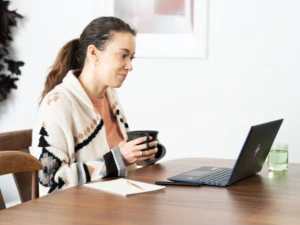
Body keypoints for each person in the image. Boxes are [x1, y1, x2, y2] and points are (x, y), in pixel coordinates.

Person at [30, 17, 166, 196]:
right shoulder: (58, 104)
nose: (130, 66)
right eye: (123, 55)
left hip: (114, 204)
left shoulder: (110, 96)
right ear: (94, 53)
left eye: (131, 57)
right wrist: (119, 158)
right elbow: (51, 182)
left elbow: (117, 163)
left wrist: (143, 154)